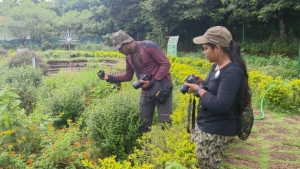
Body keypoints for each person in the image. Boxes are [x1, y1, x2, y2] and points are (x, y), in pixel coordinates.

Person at [184, 26, 251, 169]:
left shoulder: (232, 72)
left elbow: (221, 104)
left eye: (206, 48)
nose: (204, 52)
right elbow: (215, 91)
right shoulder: (216, 66)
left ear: (218, 48)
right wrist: (202, 84)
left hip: (217, 129)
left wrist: (198, 89)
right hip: (207, 125)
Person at [97, 30, 172, 133]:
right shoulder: (129, 57)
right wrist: (109, 77)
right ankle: (146, 147)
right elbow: (128, 76)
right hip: (146, 91)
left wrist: (153, 81)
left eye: (119, 48)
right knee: (143, 124)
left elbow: (165, 64)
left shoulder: (148, 46)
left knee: (165, 122)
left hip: (162, 88)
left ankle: (166, 147)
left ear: (126, 43)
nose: (119, 51)